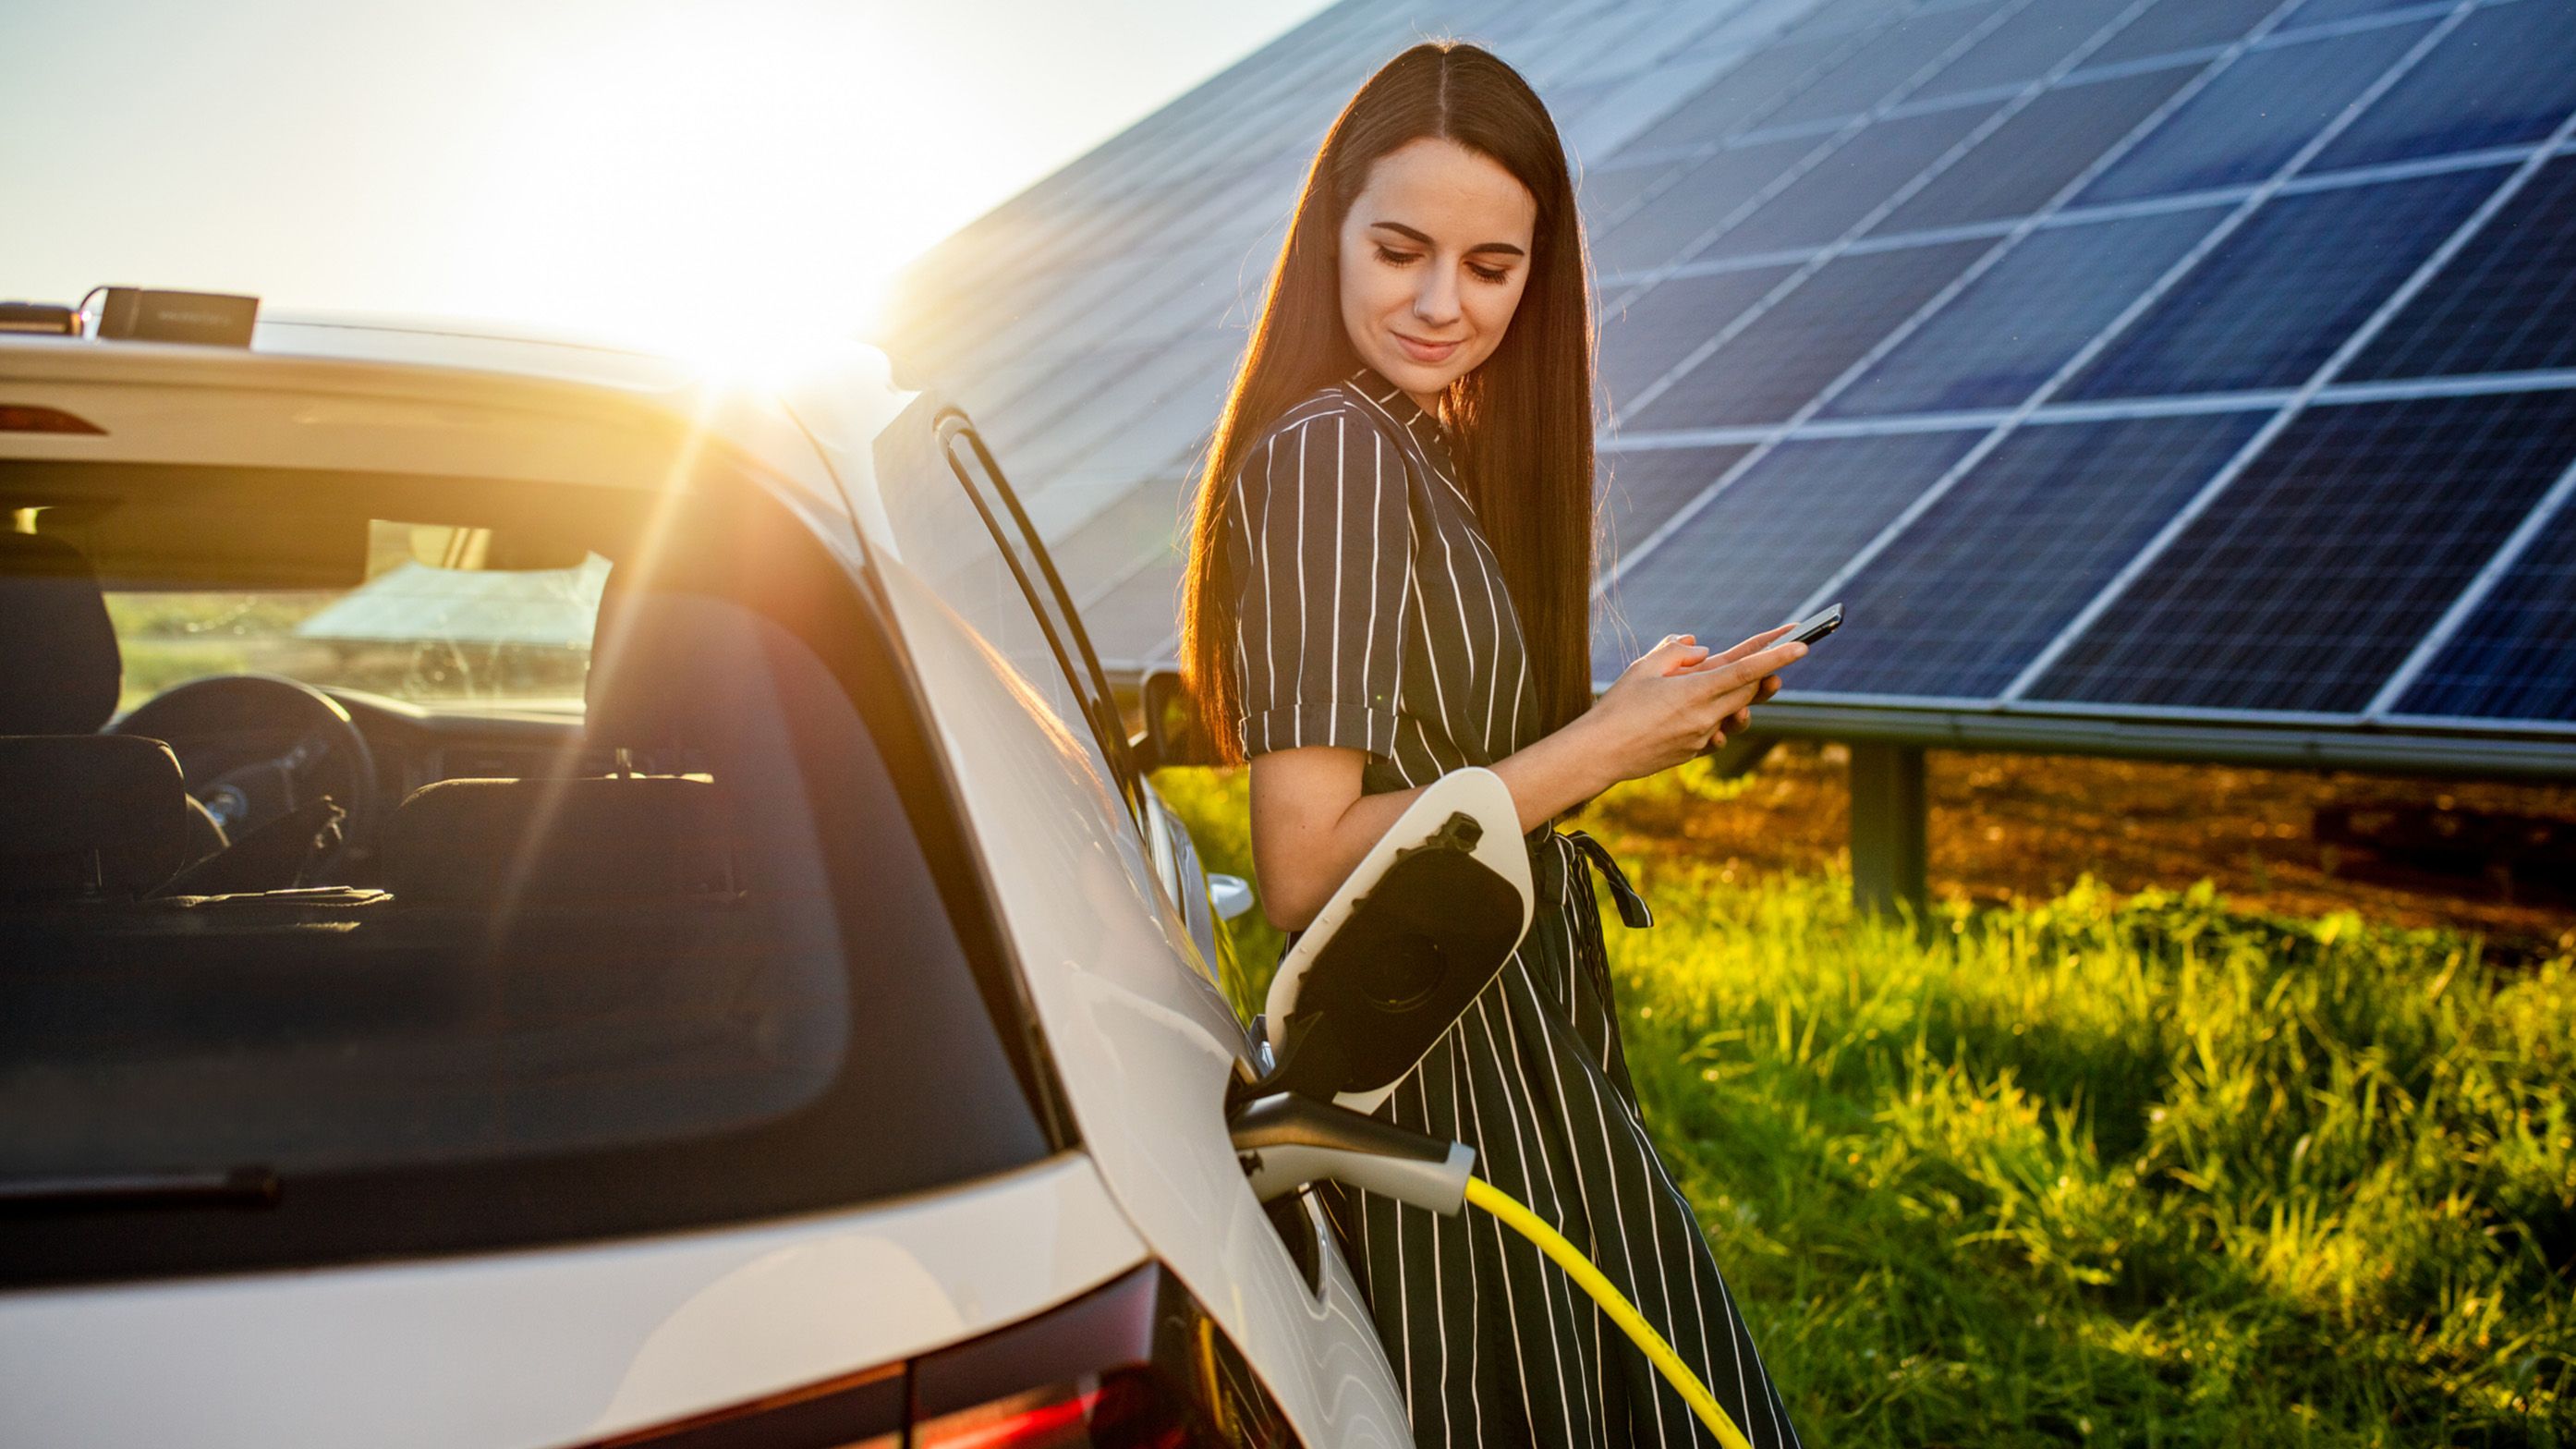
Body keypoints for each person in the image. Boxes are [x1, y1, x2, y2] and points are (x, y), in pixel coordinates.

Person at [1176, 38, 1810, 1449]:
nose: (1439, 304)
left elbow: (1437, 763)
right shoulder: (1332, 453)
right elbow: (1301, 864)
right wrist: (1606, 750)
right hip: (1448, 1056)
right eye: (1400, 248)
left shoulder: (1418, 447)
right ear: (1328, 231)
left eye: (1492, 267)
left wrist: (1613, 715)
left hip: (1502, 1025)